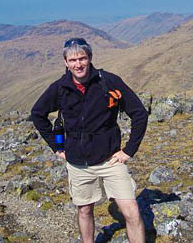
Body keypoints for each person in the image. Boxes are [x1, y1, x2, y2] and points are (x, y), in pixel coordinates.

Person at [31, 38, 148, 243]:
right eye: (73, 60)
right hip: (78, 162)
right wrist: (57, 147)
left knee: (132, 211)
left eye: (82, 58)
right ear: (66, 63)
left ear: (90, 58)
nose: (78, 64)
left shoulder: (108, 81)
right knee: (84, 210)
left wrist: (129, 151)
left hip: (111, 160)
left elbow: (139, 113)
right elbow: (37, 113)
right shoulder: (60, 88)